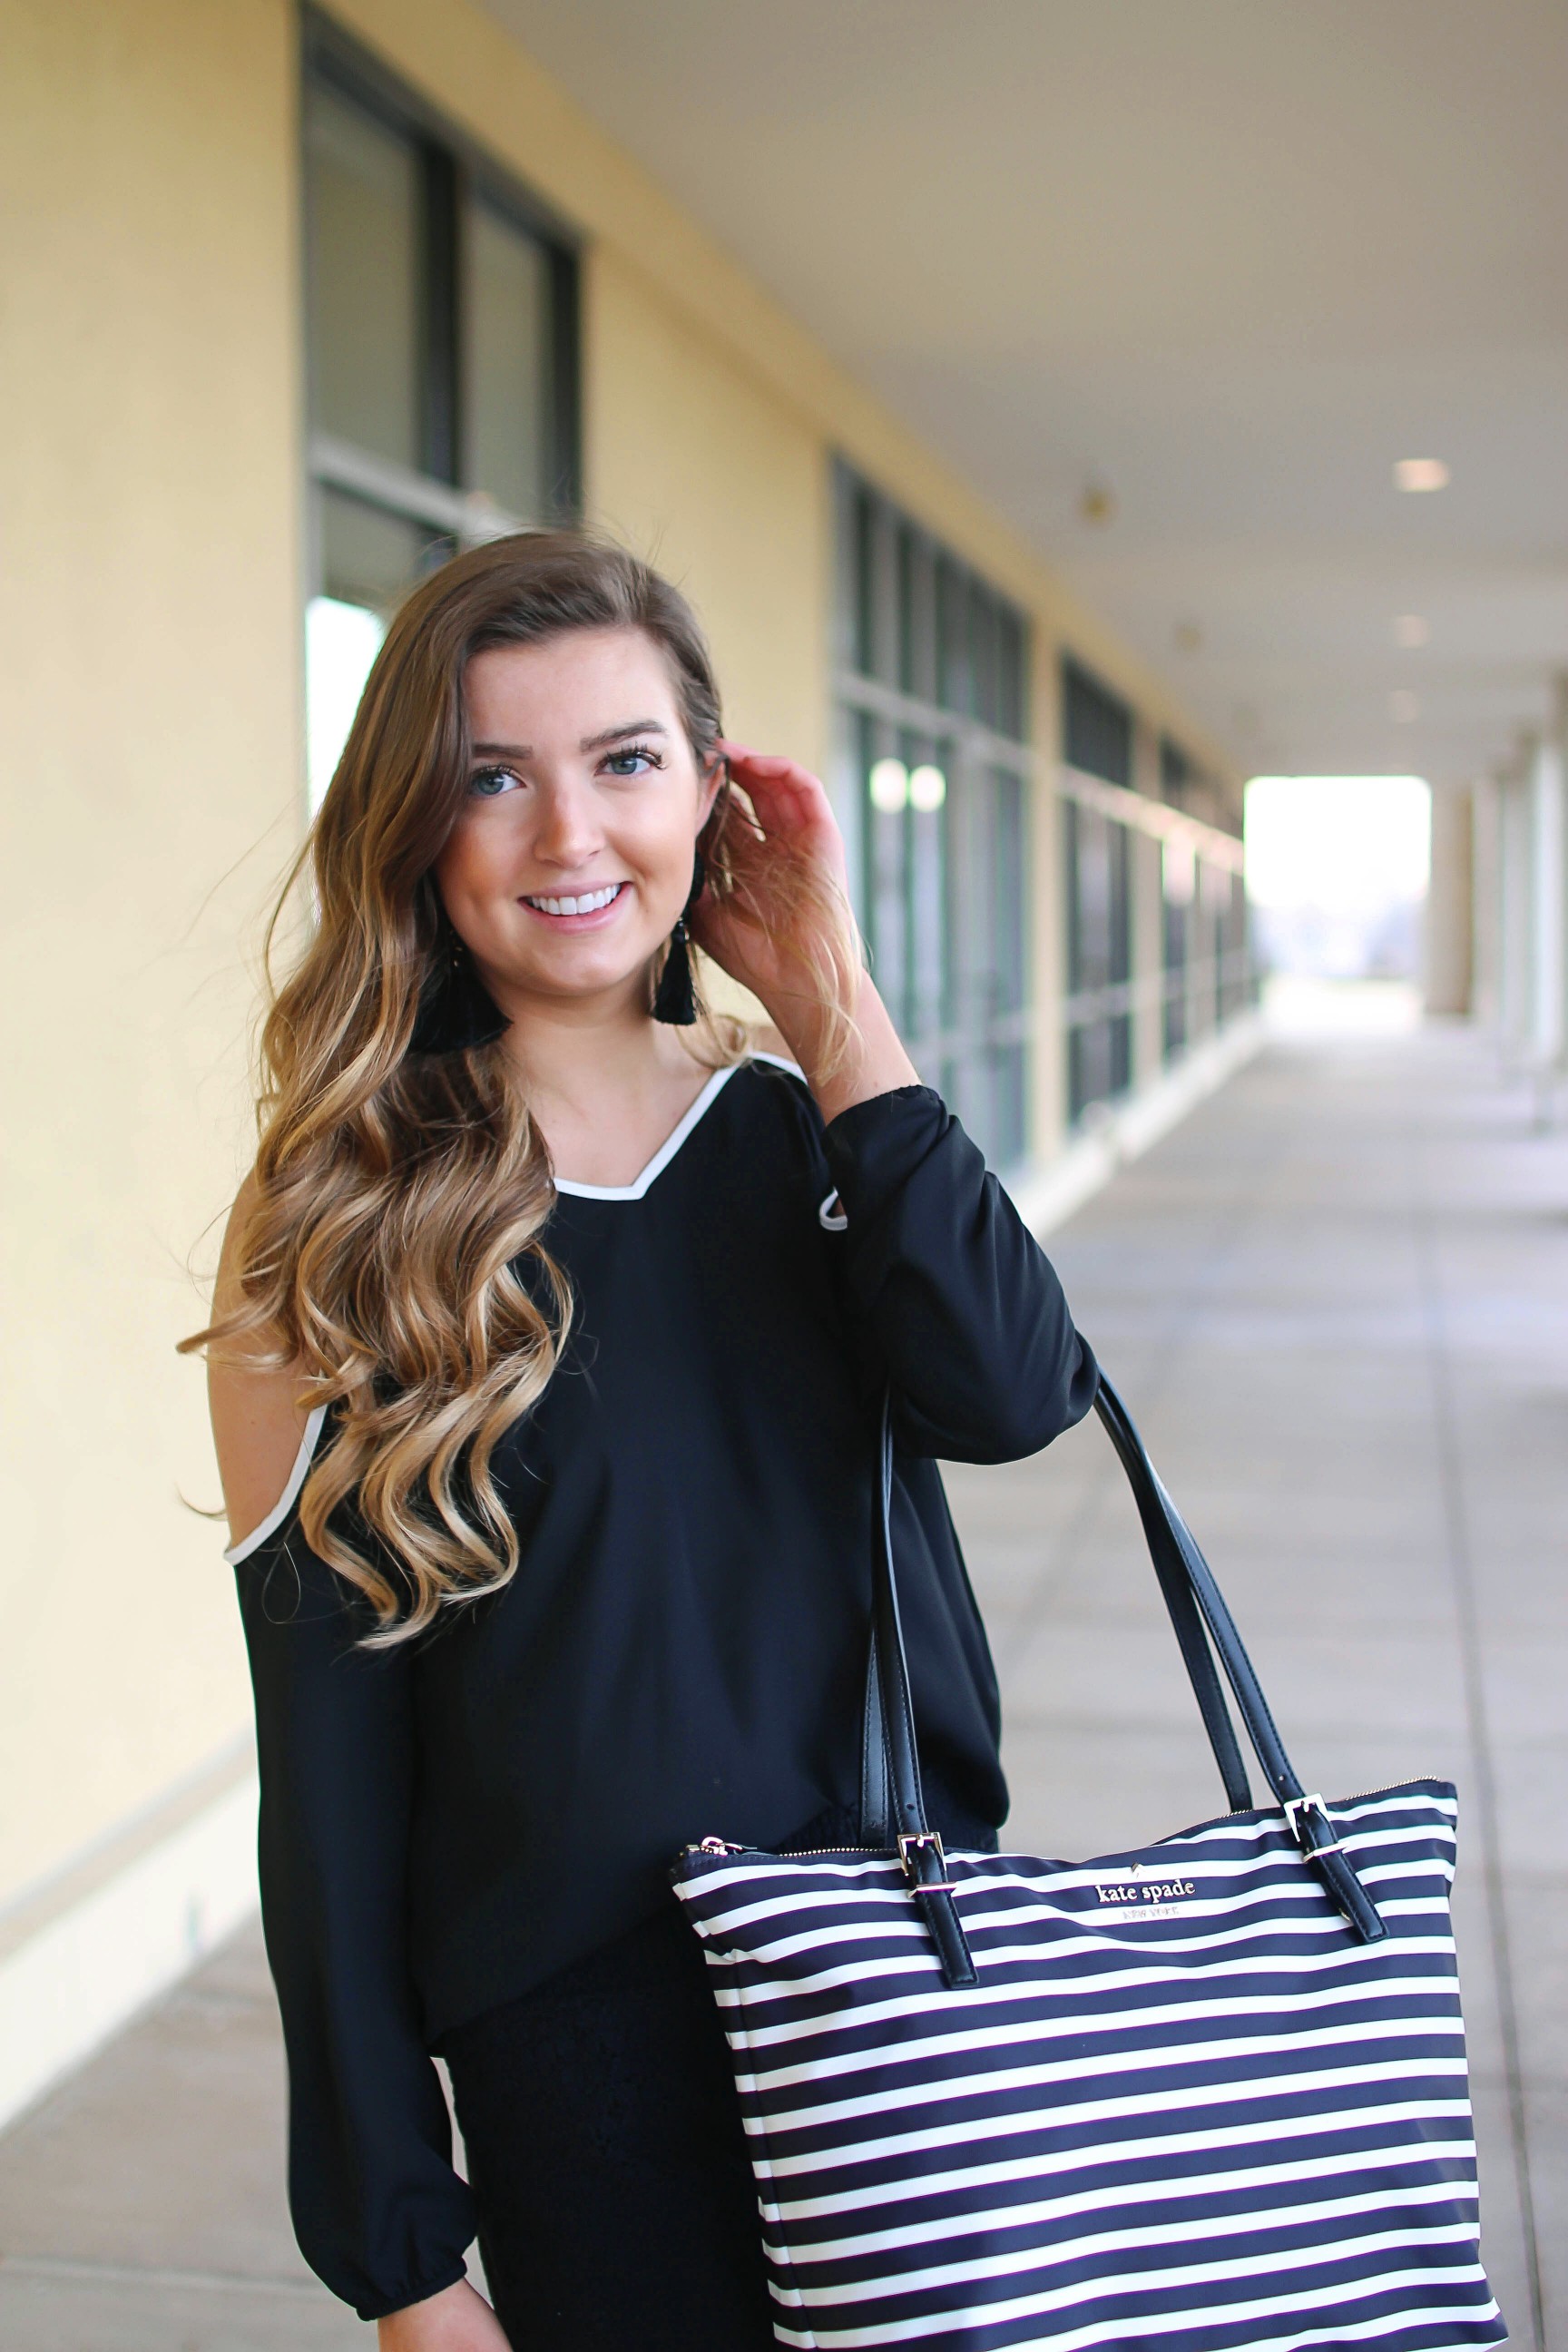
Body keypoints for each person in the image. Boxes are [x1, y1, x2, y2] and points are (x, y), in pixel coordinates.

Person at [187, 531, 1096, 2351]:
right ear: (415, 827)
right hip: (580, 2060)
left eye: (624, 763)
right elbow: (333, 1784)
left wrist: (835, 1003)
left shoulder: (806, 1133)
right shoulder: (339, 1219)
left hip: (904, 1993)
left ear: (712, 795)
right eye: (490, 777)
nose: (567, 837)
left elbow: (1012, 1391)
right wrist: (406, 2264)